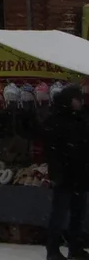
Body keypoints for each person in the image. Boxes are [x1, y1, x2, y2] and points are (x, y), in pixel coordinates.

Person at [45, 85, 89, 260]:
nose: (80, 102)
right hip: (64, 175)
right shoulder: (56, 120)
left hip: (81, 174)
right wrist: (56, 173)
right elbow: (52, 151)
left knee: (78, 215)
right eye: (77, 98)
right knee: (59, 214)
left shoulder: (81, 119)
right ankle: (53, 250)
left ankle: (75, 248)